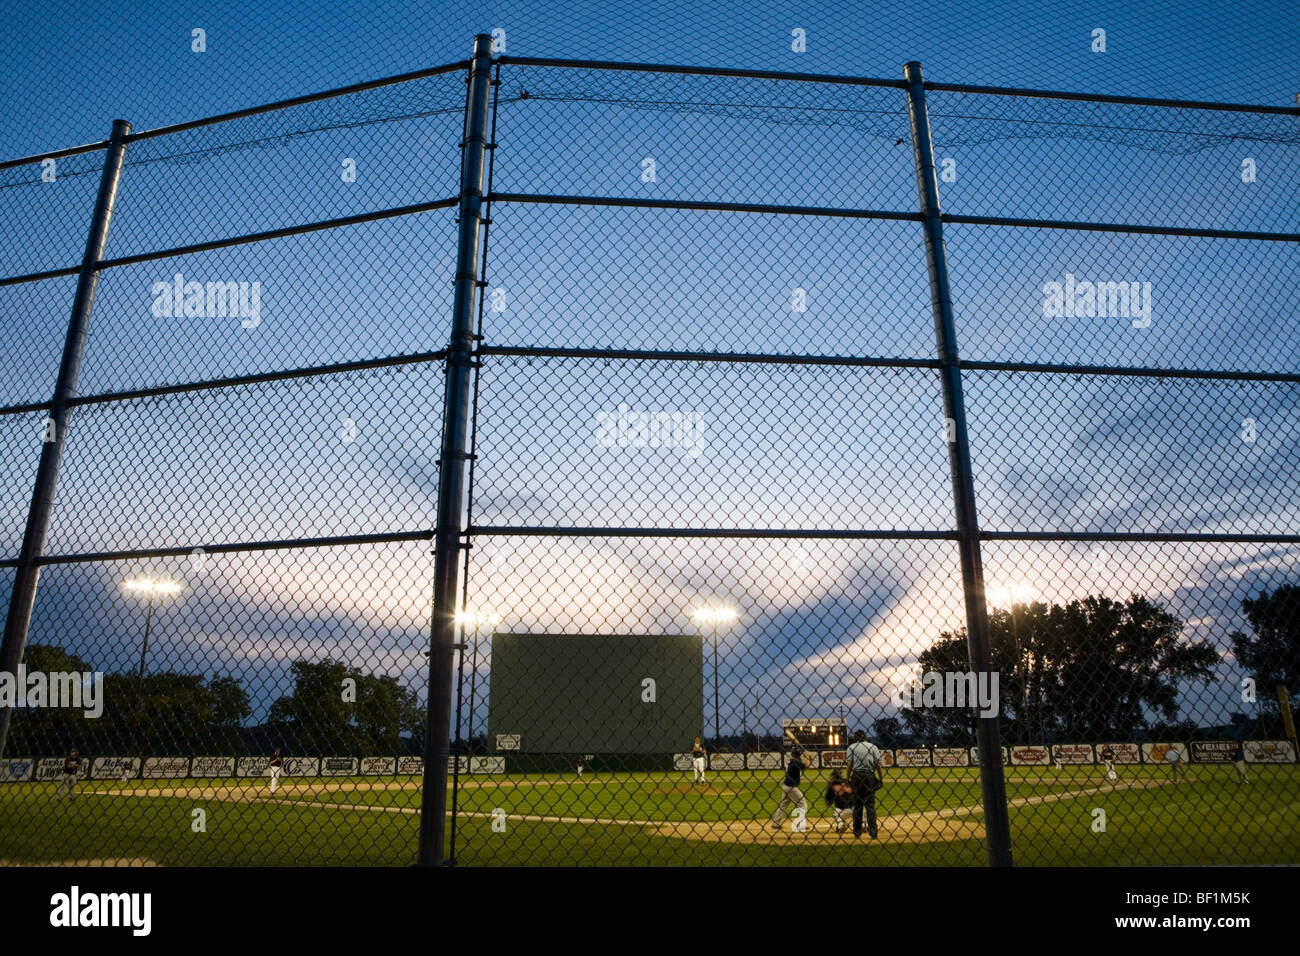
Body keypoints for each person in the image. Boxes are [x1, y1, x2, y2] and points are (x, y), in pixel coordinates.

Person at [846, 730, 883, 839]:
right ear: (865, 737)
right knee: (870, 805)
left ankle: (857, 832)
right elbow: (878, 764)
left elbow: (849, 764)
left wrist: (848, 778)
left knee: (857, 805)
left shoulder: (851, 747)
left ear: (856, 737)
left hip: (856, 776)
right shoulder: (873, 747)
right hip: (869, 776)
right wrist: (880, 778)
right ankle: (873, 832)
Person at [771, 747, 810, 830]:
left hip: (785, 786)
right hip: (791, 788)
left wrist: (807, 757)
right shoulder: (795, 762)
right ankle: (800, 824)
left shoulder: (792, 761)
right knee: (803, 805)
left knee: (783, 805)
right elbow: (806, 766)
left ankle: (775, 823)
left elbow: (803, 765)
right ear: (798, 755)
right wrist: (808, 757)